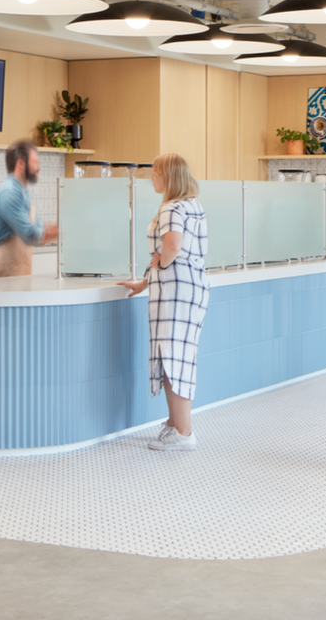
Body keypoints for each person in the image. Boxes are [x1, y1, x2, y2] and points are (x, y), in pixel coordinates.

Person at [121, 152, 209, 452]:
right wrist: (145, 281)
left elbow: (171, 247)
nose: (151, 178)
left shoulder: (172, 207)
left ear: (168, 176)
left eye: (155, 173)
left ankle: (184, 433)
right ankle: (175, 424)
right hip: (191, 289)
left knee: (172, 359)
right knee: (179, 356)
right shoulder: (192, 205)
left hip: (175, 293)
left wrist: (157, 267)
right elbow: (169, 254)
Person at [0, 139, 57, 278]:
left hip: (16, 277)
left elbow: (39, 226)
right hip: (1, 277)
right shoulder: (9, 193)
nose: (39, 167)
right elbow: (31, 235)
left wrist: (64, 224)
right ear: (21, 163)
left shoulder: (23, 193)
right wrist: (65, 232)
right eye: (35, 162)